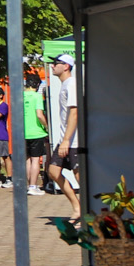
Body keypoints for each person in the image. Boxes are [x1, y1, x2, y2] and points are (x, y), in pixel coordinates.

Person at [47, 54, 83, 212]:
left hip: (73, 140)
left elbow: (74, 113)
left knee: (79, 176)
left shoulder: (71, 84)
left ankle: (91, 211)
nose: (52, 66)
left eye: (56, 63)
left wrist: (67, 140)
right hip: (65, 139)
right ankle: (77, 207)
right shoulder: (65, 85)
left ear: (66, 66)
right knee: (53, 171)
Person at [22, 70, 50, 194]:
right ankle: (33, 186)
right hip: (36, 132)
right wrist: (46, 126)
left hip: (23, 132)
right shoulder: (37, 96)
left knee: (27, 159)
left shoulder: (20, 96)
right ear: (37, 85)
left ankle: (30, 185)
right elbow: (39, 115)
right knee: (35, 160)